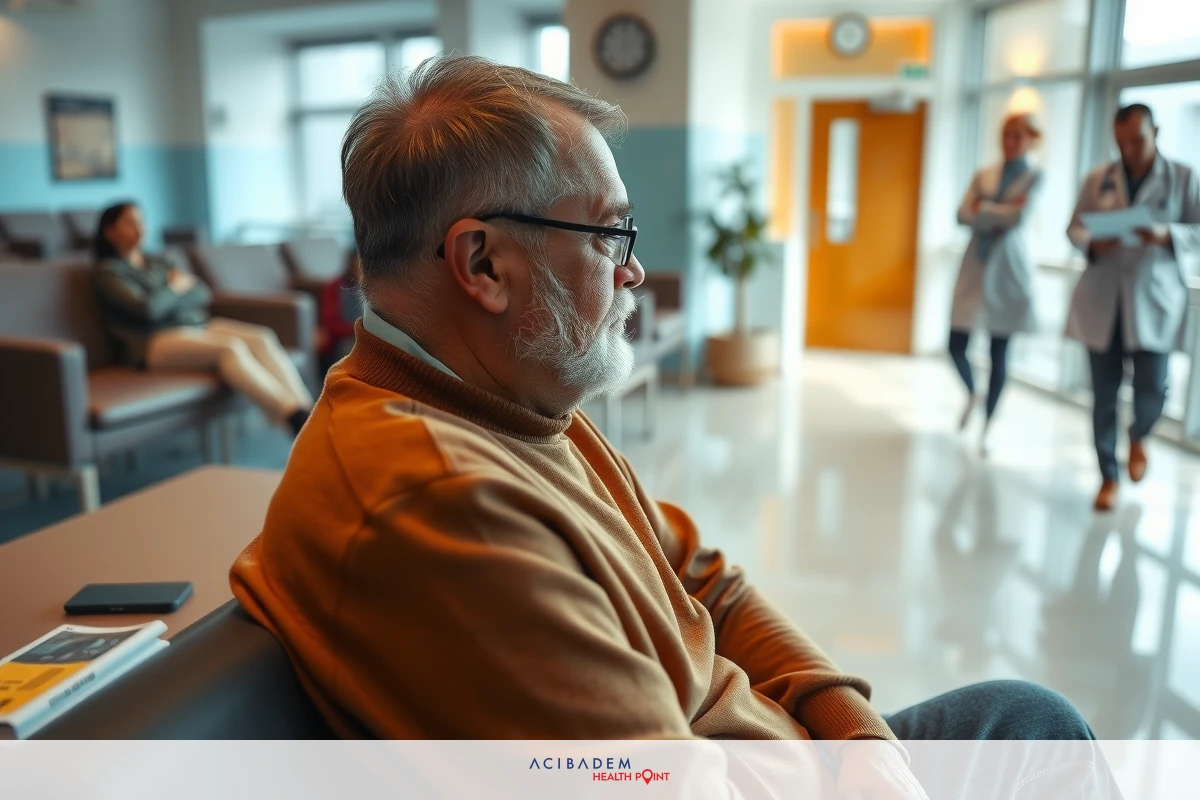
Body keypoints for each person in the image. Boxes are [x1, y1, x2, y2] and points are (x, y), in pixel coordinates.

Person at [229, 55, 1102, 790]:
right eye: (610, 236)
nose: (634, 273)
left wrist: (854, 735)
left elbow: (706, 581)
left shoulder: (507, 402)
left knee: (1029, 719)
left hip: (770, 753)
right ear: (483, 262)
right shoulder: (440, 497)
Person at [1067, 104, 1200, 511]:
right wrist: (1092, 242)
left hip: (1152, 298)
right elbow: (1074, 227)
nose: (1128, 149)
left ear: (1156, 131)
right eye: (1121, 142)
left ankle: (1139, 435)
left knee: (1153, 390)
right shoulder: (1098, 179)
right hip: (1103, 297)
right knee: (1103, 396)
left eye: (1137, 140)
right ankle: (1108, 476)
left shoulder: (1183, 177)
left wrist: (1166, 235)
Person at [92, 202, 314, 436]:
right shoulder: (108, 272)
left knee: (262, 336)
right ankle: (292, 416)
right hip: (152, 343)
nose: (140, 229)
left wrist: (168, 296)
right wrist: (176, 289)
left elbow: (201, 292)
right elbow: (147, 311)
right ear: (109, 231)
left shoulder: (157, 262)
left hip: (194, 326)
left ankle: (311, 411)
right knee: (230, 348)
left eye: (141, 221)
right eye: (130, 223)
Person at [950, 112, 1044, 454]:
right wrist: (998, 211)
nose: (1010, 142)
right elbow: (961, 214)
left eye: (1018, 136)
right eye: (1007, 135)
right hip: (977, 265)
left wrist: (983, 209)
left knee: (998, 351)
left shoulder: (1036, 176)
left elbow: (1019, 218)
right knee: (955, 343)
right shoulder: (984, 174)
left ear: (1032, 139)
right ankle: (973, 392)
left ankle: (988, 425)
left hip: (1008, 270)